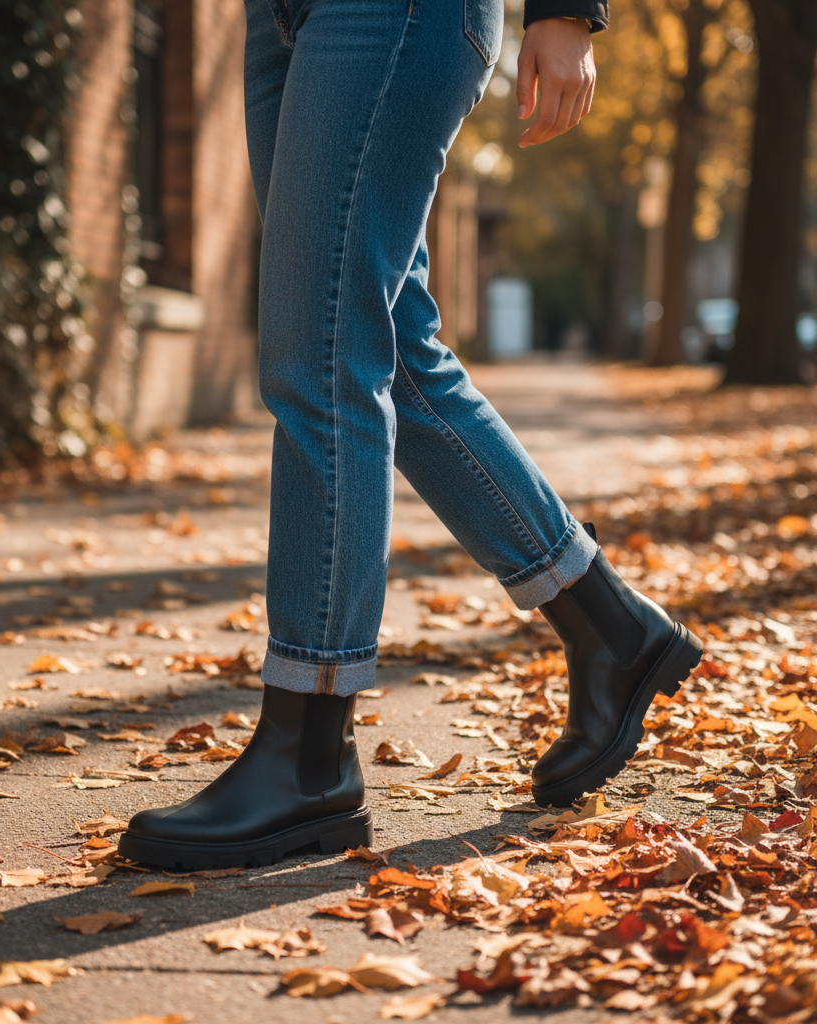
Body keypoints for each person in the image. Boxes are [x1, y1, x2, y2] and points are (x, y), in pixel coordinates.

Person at [118, 0, 702, 870]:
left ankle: (308, 752)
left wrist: (566, 10)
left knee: (320, 351)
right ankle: (611, 626)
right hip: (282, 18)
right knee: (390, 351)